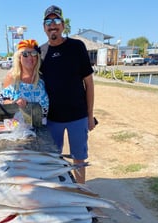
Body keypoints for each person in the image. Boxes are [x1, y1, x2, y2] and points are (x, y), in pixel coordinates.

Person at [40, 5, 95, 184]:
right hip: (52, 119)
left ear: (63, 25)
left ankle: (81, 194)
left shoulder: (77, 47)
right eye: (48, 21)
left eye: (56, 21)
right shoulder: (40, 52)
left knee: (78, 159)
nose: (52, 25)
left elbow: (89, 83)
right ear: (44, 27)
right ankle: (60, 193)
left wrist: (90, 115)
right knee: (53, 160)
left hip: (78, 117)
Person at [0, 39, 49, 124]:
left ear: (37, 57)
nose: (30, 57)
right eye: (25, 54)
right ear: (19, 57)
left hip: (42, 126)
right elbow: (2, 100)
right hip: (19, 126)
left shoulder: (42, 77)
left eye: (33, 53)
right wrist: (14, 102)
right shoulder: (12, 77)